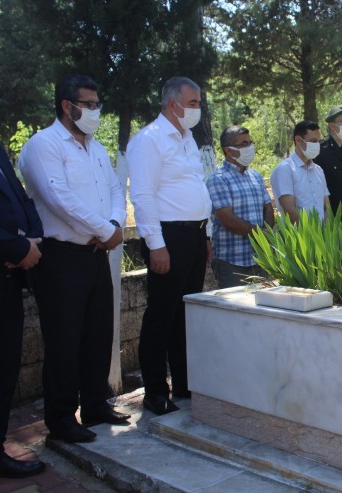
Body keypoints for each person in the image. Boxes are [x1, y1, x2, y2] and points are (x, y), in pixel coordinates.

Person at [18, 74, 130, 443]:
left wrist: (114, 224)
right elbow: (58, 198)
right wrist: (104, 228)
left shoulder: (95, 147)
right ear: (67, 106)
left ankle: (96, 404)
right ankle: (61, 420)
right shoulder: (43, 145)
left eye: (98, 104)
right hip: (62, 258)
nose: (95, 111)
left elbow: (115, 188)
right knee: (65, 340)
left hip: (96, 254)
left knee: (98, 334)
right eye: (89, 104)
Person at [128, 76, 212, 415]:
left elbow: (194, 185)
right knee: (162, 315)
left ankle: (183, 382)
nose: (197, 110)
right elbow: (144, 195)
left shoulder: (188, 138)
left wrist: (204, 235)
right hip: (168, 237)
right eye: (192, 103)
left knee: (183, 313)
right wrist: (156, 244)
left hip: (193, 235)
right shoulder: (150, 140)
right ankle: (154, 391)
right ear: (172, 103)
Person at [0, 92, 46, 478]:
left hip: (7, 279)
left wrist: (32, 241)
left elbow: (22, 201)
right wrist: (13, 246)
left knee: (1, 370)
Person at [206, 125, 274, 288]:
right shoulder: (219, 179)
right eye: (244, 144)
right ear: (228, 151)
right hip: (232, 261)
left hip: (260, 258)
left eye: (250, 142)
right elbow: (228, 219)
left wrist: (266, 234)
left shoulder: (255, 176)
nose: (250, 147)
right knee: (235, 310)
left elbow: (268, 207)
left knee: (262, 309)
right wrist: (261, 234)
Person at [270, 120, 330, 223]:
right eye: (313, 141)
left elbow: (326, 206)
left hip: (322, 235)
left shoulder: (318, 170)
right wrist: (309, 234)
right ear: (298, 140)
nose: (317, 145)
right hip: (298, 236)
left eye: (319, 141)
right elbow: (289, 209)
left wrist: (326, 231)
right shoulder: (284, 169)